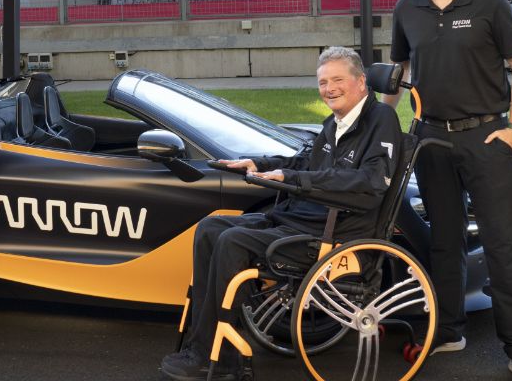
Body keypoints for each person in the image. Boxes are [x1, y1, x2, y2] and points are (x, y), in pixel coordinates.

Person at [160, 46, 400, 381]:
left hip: (334, 233)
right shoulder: (336, 122)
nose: (329, 88)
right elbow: (304, 163)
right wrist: (260, 165)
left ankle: (215, 357)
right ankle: (208, 344)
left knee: (233, 241)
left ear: (361, 82)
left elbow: (371, 182)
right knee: (210, 229)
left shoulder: (381, 120)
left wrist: (294, 179)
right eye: (322, 82)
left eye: (337, 80)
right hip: (300, 219)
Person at [385, 0, 512, 381]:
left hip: (487, 137)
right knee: (445, 241)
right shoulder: (407, 8)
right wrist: (382, 122)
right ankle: (448, 329)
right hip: (431, 139)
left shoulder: (488, 3)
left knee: (501, 245)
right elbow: (397, 70)